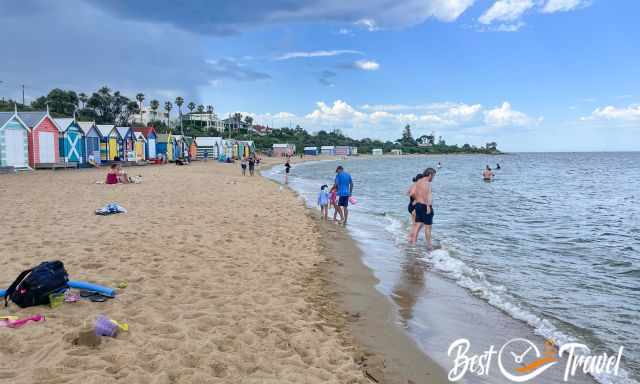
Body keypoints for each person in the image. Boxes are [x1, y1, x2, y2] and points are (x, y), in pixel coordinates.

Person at [409, 168, 436, 250]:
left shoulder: (418, 182)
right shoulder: (428, 184)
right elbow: (429, 197)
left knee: (417, 225)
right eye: (433, 176)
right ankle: (429, 246)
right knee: (428, 227)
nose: (433, 178)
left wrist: (417, 200)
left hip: (418, 206)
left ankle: (413, 243)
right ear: (430, 175)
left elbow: (412, 193)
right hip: (425, 206)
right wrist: (428, 206)